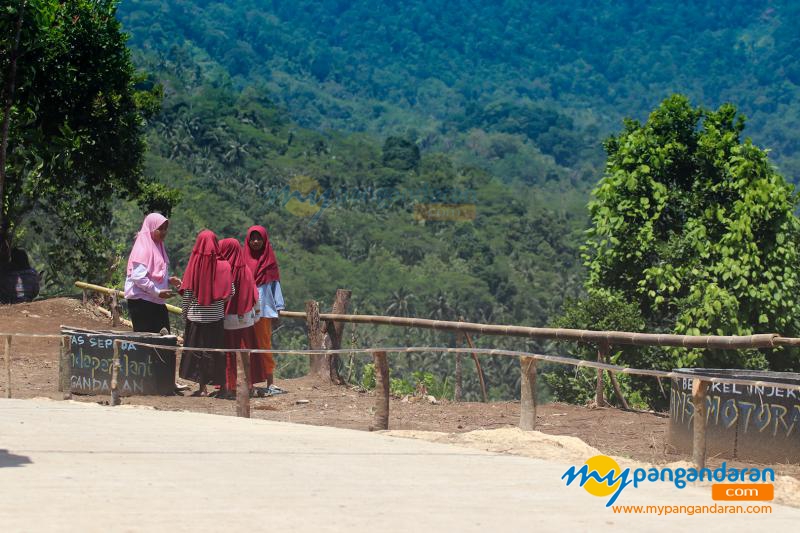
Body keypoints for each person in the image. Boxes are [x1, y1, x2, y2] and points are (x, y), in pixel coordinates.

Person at [178, 230, 233, 397]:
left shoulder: (193, 266)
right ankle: (222, 387)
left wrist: (184, 313)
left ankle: (202, 388)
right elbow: (230, 292)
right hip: (216, 318)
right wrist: (217, 303)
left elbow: (187, 294)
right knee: (217, 352)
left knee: (198, 353)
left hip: (196, 318)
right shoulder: (224, 266)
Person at [123, 213, 181, 333]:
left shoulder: (158, 246)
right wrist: (157, 292)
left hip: (154, 301)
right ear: (151, 228)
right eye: (160, 229)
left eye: (165, 229)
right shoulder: (144, 248)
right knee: (148, 342)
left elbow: (152, 273)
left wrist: (168, 280)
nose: (164, 232)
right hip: (142, 302)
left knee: (163, 339)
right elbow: (138, 277)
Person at [243, 225, 284, 391]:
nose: (255, 241)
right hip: (245, 310)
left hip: (264, 311)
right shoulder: (242, 259)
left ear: (264, 240)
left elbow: (275, 286)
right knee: (245, 344)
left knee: (264, 345)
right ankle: (247, 381)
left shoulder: (270, 262)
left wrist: (279, 306)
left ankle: (270, 381)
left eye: (259, 238)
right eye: (252, 238)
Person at [218, 238, 260, 397]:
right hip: (246, 320)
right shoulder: (246, 270)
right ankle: (248, 386)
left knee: (229, 355)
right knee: (245, 354)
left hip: (228, 320)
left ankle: (231, 387)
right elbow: (255, 294)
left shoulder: (224, 270)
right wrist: (256, 316)